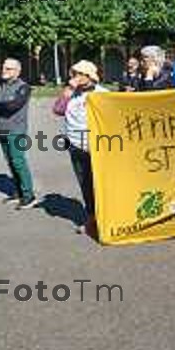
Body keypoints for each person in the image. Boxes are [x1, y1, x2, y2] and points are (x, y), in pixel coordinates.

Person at [52, 60, 107, 238]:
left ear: (89, 76)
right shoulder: (72, 93)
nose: (74, 77)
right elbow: (58, 110)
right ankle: (91, 218)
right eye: (73, 73)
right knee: (85, 184)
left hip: (97, 147)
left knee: (101, 185)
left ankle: (106, 219)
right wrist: (67, 91)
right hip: (74, 145)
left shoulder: (102, 94)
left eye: (78, 74)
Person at [0, 58, 37, 209]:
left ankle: (29, 195)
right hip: (2, 130)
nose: (4, 71)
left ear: (17, 71)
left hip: (16, 132)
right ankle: (18, 192)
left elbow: (14, 106)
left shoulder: (24, 88)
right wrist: (1, 106)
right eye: (4, 68)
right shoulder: (1, 87)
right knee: (10, 162)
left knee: (18, 162)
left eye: (8, 69)